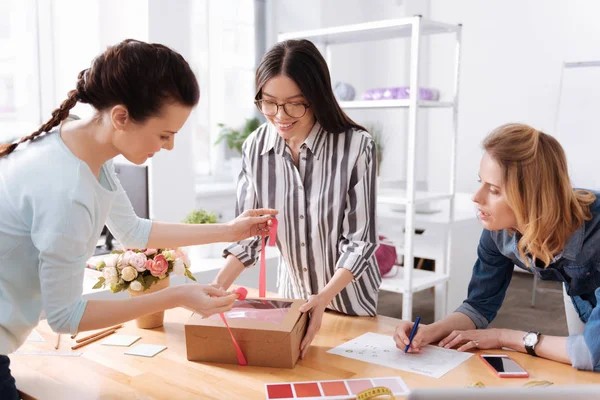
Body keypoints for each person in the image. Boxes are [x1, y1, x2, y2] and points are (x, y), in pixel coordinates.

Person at [0, 39, 277, 398]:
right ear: (121, 116)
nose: (169, 146)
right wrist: (176, 296)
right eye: (164, 135)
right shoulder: (68, 192)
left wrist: (229, 231)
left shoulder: (78, 145)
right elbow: (65, 318)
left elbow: (132, 231)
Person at [213, 39, 381, 359]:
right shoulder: (255, 148)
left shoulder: (357, 146)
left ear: (316, 98)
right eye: (269, 102)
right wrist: (215, 288)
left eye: (295, 103)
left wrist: (324, 297)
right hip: (291, 304)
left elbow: (360, 242)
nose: (280, 115)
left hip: (349, 303)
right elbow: (249, 234)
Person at [393, 123, 600, 372]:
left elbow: (589, 352)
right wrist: (429, 331)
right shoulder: (498, 231)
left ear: (532, 197)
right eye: (481, 182)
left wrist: (503, 337)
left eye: (493, 190)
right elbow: (478, 306)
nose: (476, 197)